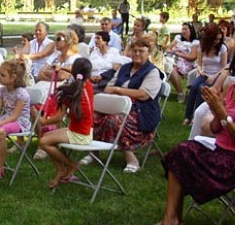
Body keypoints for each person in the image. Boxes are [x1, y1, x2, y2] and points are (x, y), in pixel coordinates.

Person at [150, 42, 235, 225]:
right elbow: (216, 128)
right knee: (179, 152)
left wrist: (221, 111)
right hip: (219, 148)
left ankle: (171, 219)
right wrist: (215, 108)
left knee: (183, 155)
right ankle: (172, 217)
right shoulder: (233, 88)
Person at [83, 38, 163, 173]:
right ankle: (93, 153)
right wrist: (119, 92)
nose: (137, 54)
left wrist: (118, 90)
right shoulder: (124, 68)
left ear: (148, 53)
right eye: (134, 50)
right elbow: (108, 88)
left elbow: (143, 94)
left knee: (113, 120)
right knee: (92, 115)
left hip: (141, 112)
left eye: (141, 51)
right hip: (116, 105)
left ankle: (132, 159)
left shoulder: (152, 72)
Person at [38, 57, 95, 188]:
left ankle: (69, 165)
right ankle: (62, 169)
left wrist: (44, 121)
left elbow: (58, 118)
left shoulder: (70, 92)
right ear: (89, 74)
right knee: (46, 138)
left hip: (80, 135)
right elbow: (79, 73)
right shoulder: (88, 85)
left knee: (43, 142)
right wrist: (63, 68)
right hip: (84, 131)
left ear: (73, 73)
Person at [183, 24, 228, 125]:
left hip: (217, 75)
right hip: (204, 73)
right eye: (215, 39)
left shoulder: (222, 48)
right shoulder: (202, 47)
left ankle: (196, 116)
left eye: (219, 39)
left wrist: (214, 77)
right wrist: (200, 70)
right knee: (193, 87)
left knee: (201, 89)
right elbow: (199, 63)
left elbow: (224, 68)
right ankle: (187, 116)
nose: (217, 41)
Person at [166, 22, 199, 102]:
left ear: (191, 30)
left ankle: (181, 93)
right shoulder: (178, 38)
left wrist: (179, 53)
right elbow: (168, 49)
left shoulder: (194, 42)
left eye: (185, 29)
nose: (183, 31)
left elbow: (192, 57)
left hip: (187, 63)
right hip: (174, 59)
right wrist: (175, 53)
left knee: (171, 69)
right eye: (182, 29)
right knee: (165, 65)